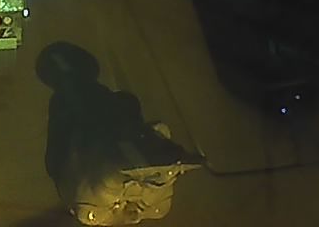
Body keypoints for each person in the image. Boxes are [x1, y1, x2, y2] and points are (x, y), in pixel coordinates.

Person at [38, 42, 203, 226]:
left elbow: (56, 157)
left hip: (96, 186)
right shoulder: (104, 100)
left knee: (107, 183)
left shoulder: (69, 101)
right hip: (100, 183)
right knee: (112, 180)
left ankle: (146, 170)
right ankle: (151, 170)